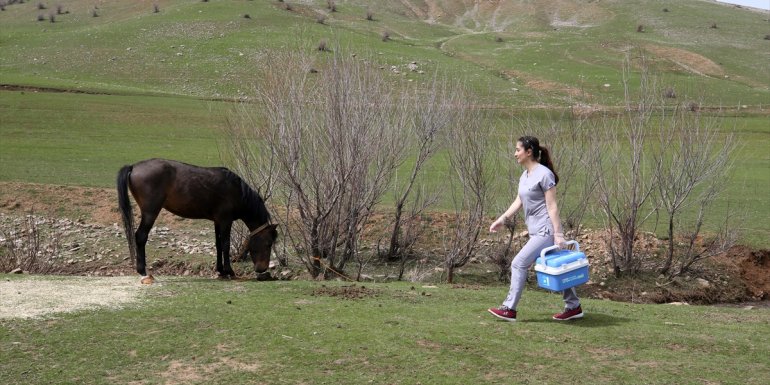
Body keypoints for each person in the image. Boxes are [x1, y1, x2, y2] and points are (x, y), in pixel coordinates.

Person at [487, 136, 583, 322]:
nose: (515, 153)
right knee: (558, 266)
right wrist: (502, 219)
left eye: (518, 150)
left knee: (518, 263)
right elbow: (519, 200)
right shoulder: (525, 176)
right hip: (535, 231)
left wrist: (558, 235)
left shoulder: (544, 174)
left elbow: (552, 207)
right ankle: (573, 306)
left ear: (528, 151)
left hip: (545, 231)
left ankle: (509, 308)